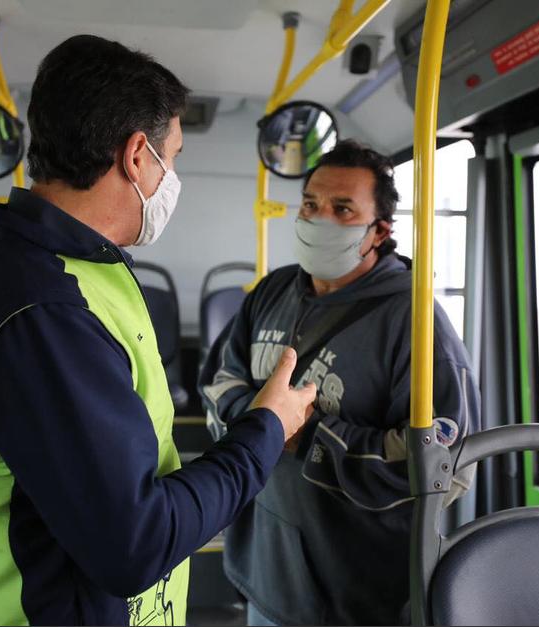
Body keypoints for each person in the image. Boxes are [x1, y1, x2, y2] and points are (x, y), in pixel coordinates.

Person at [0, 35, 316, 627]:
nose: (171, 177)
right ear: (136, 156)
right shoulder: (40, 310)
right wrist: (266, 430)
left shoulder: (80, 268)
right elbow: (136, 544)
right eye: (171, 157)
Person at [199, 139, 480, 625]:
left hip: (353, 595)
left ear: (380, 231)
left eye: (343, 208)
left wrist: (305, 435)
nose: (319, 218)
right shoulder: (273, 290)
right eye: (311, 204)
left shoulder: (413, 322)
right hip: (265, 569)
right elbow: (218, 382)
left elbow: (446, 465)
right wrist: (265, 421)